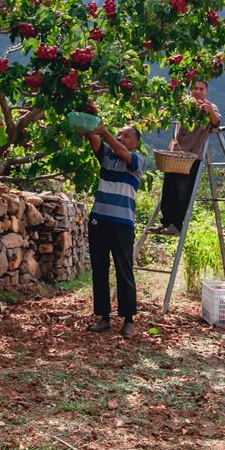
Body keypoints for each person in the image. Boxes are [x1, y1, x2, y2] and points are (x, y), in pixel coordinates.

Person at [83, 121, 146, 339]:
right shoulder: (107, 156)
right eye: (119, 134)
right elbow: (94, 139)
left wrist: (104, 132)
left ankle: (128, 320)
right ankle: (104, 318)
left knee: (124, 270)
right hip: (99, 221)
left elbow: (122, 153)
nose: (120, 138)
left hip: (122, 224)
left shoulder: (137, 160)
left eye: (126, 135)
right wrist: (89, 122)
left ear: (136, 143)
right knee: (99, 270)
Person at [159, 80, 220, 233]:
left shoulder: (209, 107)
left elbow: (216, 123)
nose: (197, 91)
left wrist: (210, 112)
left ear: (206, 91)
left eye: (201, 89)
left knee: (182, 191)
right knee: (168, 189)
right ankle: (166, 222)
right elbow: (166, 111)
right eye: (194, 88)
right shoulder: (183, 105)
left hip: (192, 155)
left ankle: (176, 225)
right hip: (175, 154)